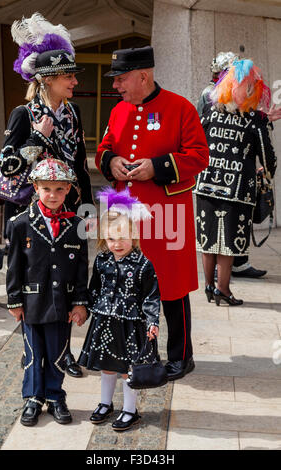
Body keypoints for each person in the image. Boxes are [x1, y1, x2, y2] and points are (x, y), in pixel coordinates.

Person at [95, 46, 209, 381]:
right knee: (131, 285)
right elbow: (105, 148)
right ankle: (140, 352)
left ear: (143, 76)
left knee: (171, 287)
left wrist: (157, 167)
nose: (116, 86)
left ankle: (181, 356)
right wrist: (111, 161)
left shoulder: (181, 108)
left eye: (121, 79)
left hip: (166, 215)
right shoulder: (118, 111)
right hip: (125, 217)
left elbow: (199, 156)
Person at [0, 12, 94, 377]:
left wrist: (86, 207)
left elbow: (80, 165)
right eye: (68, 76)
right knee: (36, 285)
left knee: (68, 284)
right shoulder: (22, 114)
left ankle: (63, 353)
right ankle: (34, 355)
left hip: (69, 214)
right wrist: (38, 137)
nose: (73, 81)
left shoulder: (73, 113)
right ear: (48, 79)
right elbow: (8, 167)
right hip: (33, 217)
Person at [6, 158, 89, 426]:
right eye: (46, 189)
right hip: (31, 302)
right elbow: (14, 266)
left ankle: (55, 396)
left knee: (57, 352)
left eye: (59, 189)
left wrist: (79, 302)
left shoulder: (76, 225)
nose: (53, 195)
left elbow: (80, 268)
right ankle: (32, 397)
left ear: (68, 189)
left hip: (62, 302)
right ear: (35, 188)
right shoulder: (20, 224)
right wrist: (14, 300)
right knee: (33, 353)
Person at [194, 59, 277, 305]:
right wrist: (267, 175)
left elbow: (196, 142)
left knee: (208, 239)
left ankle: (209, 287)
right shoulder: (254, 118)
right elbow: (268, 154)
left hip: (207, 183)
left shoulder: (210, 112)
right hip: (237, 188)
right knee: (228, 243)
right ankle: (224, 290)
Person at [78, 187, 160, 431]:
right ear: (104, 238)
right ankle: (105, 403)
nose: (117, 243)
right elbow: (94, 288)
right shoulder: (102, 260)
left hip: (130, 324)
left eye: (123, 237)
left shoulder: (144, 265)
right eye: (111, 238)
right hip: (105, 321)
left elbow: (151, 296)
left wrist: (152, 320)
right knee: (106, 364)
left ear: (134, 235)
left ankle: (129, 410)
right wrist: (83, 307)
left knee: (127, 369)